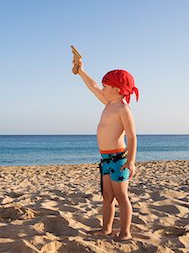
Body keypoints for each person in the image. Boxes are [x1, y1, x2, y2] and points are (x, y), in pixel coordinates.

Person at [73, 52, 139, 241]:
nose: (102, 87)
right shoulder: (108, 102)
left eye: (106, 85)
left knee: (121, 195)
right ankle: (106, 229)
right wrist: (81, 71)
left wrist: (132, 161)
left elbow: (132, 136)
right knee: (107, 196)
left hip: (119, 160)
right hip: (106, 160)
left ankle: (125, 232)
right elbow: (93, 87)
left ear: (118, 89)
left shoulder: (123, 109)